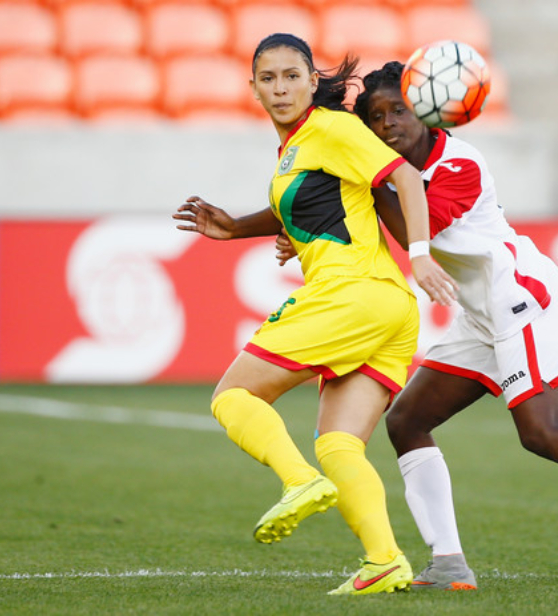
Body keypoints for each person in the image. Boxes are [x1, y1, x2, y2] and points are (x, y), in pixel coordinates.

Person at [280, 61, 558, 589]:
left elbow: (413, 225)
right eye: (376, 116)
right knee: (406, 421)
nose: (389, 123)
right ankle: (449, 564)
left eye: (399, 109)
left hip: (519, 297)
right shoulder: (392, 175)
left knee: (540, 432)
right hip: (480, 313)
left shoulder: (459, 164)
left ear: (430, 113)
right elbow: (373, 207)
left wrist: (364, 191)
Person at [172, 35, 457, 596]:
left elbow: (402, 176)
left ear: (310, 80)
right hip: (386, 309)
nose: (280, 88)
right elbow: (322, 209)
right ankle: (384, 560)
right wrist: (233, 229)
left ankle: (298, 480)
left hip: (352, 294)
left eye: (291, 76)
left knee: (233, 397)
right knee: (339, 444)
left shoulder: (329, 128)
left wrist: (420, 255)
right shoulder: (299, 147)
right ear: (252, 87)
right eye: (269, 78)